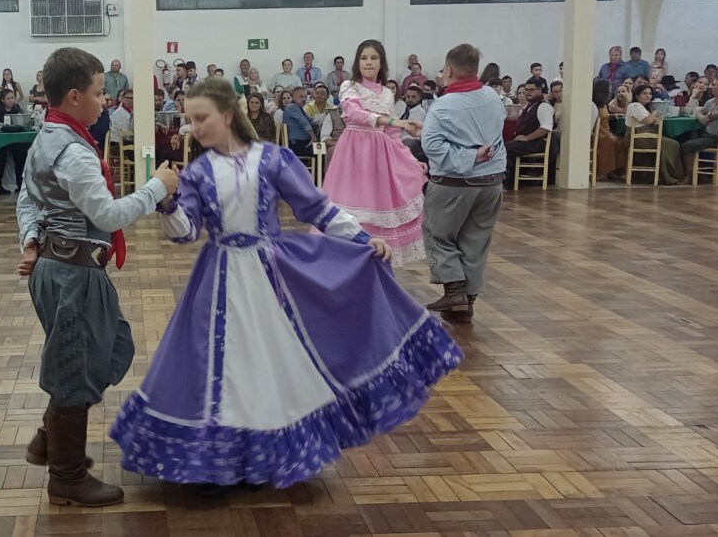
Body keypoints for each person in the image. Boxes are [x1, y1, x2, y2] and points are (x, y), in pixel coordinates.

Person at [110, 76, 461, 492]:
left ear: (228, 115)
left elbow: (317, 208)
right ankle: (221, 459)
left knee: (270, 361)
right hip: (219, 277)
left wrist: (362, 238)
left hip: (271, 275)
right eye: (191, 119)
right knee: (222, 364)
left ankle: (265, 452)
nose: (195, 128)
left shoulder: (273, 158)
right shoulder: (198, 172)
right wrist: (167, 202)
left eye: (202, 118)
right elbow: (185, 233)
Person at [15, 46, 179, 508]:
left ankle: (50, 437)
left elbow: (26, 198)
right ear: (74, 95)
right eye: (98, 91)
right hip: (73, 272)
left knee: (109, 348)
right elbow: (106, 214)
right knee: (75, 365)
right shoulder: (72, 150)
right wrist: (157, 187)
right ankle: (67, 477)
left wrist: (31, 238)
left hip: (59, 266)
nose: (104, 100)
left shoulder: (49, 134)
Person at [419, 44, 507, 324]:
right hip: (491, 181)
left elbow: (432, 146)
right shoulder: (492, 97)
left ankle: (455, 291)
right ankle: (468, 301)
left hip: (454, 184)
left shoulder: (443, 105)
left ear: (448, 70)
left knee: (438, 233)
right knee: (476, 240)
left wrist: (469, 156)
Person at [321, 40, 426, 267]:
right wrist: (395, 121)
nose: (368, 62)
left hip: (379, 158)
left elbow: (393, 136)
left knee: (377, 212)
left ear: (381, 62)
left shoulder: (387, 94)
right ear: (357, 62)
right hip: (353, 154)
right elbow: (354, 114)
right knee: (350, 207)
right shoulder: (350, 86)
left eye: (374, 58)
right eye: (364, 58)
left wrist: (411, 160)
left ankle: (374, 265)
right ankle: (346, 264)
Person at [623, 84, 684, 185]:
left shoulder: (643, 107)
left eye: (650, 93)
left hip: (646, 136)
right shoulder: (635, 105)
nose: (648, 96)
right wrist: (655, 112)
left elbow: (652, 120)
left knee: (672, 143)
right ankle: (671, 176)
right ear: (637, 96)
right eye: (645, 93)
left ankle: (666, 175)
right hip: (638, 138)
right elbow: (648, 120)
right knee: (673, 144)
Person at [682, 77, 718, 177]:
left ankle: (689, 176)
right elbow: (699, 111)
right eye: (713, 85)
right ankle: (703, 177)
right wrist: (702, 117)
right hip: (710, 137)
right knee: (688, 139)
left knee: (687, 146)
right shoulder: (711, 102)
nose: (715, 87)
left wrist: (711, 116)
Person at [591, 80, 625, 182]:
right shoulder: (594, 105)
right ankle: (603, 172)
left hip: (606, 131)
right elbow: (595, 124)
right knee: (609, 142)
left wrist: (612, 116)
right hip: (598, 133)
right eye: (609, 88)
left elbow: (605, 117)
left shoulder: (604, 104)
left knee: (621, 142)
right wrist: (608, 135)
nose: (611, 90)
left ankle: (615, 170)